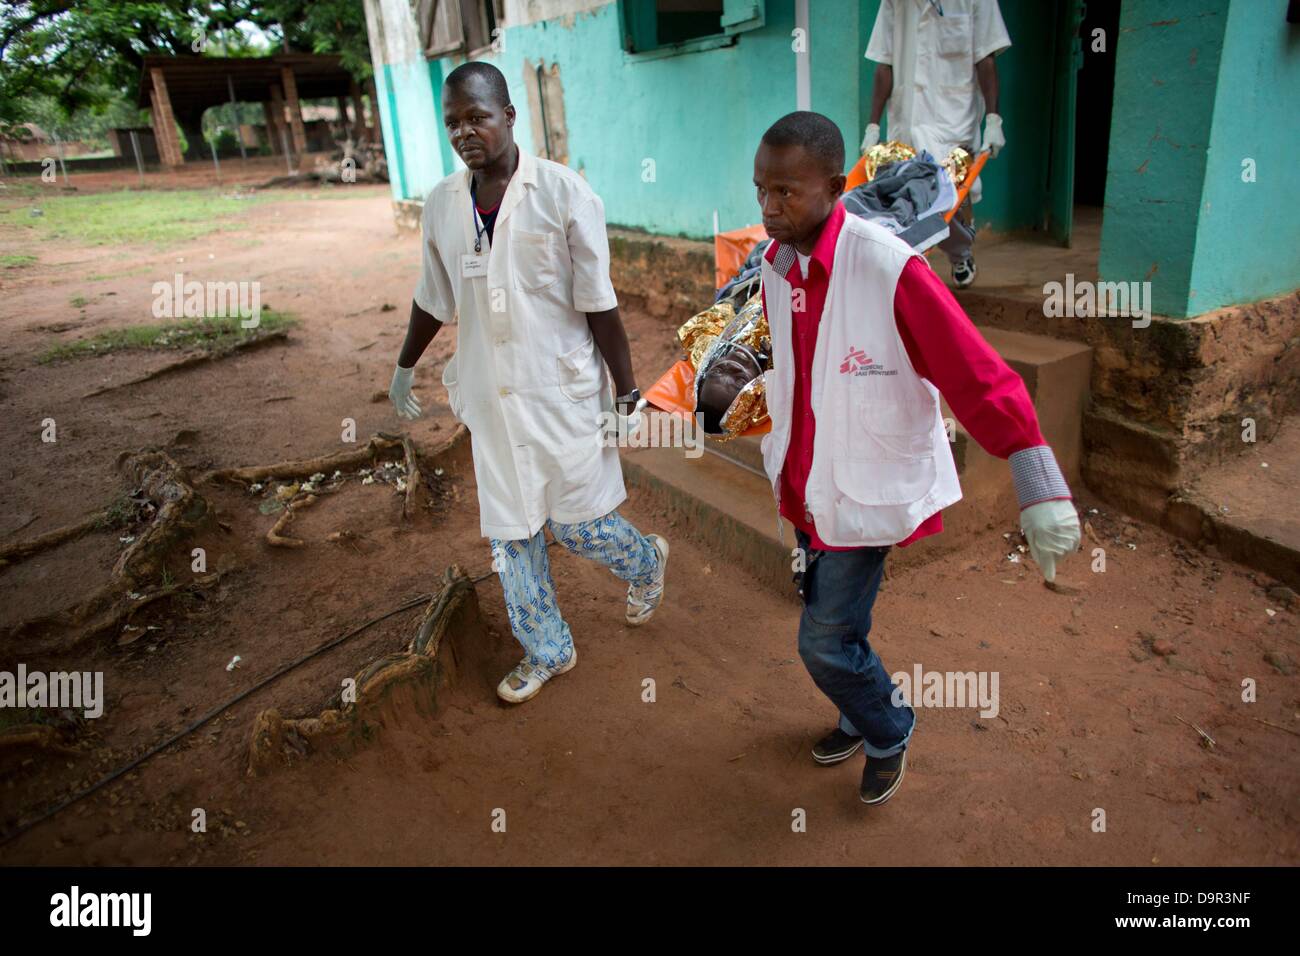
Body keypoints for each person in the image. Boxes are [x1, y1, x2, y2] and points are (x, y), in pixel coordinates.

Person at [753, 111, 1080, 806]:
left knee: (821, 642)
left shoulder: (887, 267)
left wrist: (1035, 477)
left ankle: (889, 725)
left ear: (835, 186)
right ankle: (856, 705)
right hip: (807, 482)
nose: (769, 208)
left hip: (865, 485)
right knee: (831, 616)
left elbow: (975, 372)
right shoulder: (777, 267)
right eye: (761, 190)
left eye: (786, 192)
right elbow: (794, 363)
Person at [388, 62, 668, 705]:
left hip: (560, 391)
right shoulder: (442, 205)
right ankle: (548, 648)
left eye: (478, 117)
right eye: (453, 121)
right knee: (511, 535)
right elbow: (435, 297)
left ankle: (647, 563)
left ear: (510, 116)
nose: (465, 132)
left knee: (580, 525)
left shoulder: (564, 194)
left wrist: (627, 392)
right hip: (492, 396)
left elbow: (600, 304)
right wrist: (405, 364)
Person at [861, 0, 1011, 288]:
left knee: (951, 198)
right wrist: (872, 125)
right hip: (908, 118)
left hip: (953, 117)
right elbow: (884, 62)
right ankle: (910, 272)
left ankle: (960, 254)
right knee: (907, 200)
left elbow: (985, 59)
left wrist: (993, 119)